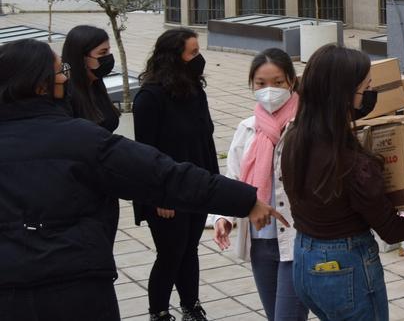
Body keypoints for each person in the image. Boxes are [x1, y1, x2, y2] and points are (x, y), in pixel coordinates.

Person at [0, 39, 284, 321]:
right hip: (74, 287)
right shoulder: (80, 140)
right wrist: (244, 199)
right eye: (60, 70)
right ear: (40, 86)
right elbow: (163, 175)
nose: (66, 77)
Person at [281, 44, 404, 319]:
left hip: (306, 260)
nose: (369, 94)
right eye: (365, 87)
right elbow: (392, 230)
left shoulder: (295, 137)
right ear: (343, 95)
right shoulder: (354, 166)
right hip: (346, 266)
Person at [134, 28, 223, 321]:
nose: (199, 58)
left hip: (196, 187)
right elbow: (146, 154)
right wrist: (161, 196)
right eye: (193, 52)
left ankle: (191, 307)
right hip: (166, 194)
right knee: (171, 253)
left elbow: (205, 141)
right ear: (174, 58)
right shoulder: (150, 97)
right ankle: (159, 312)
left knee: (189, 250)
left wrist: (213, 187)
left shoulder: (195, 91)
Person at [212, 49, 308, 321]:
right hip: (261, 239)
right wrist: (224, 217)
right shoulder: (247, 128)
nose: (269, 90)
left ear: (291, 81)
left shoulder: (305, 127)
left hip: (298, 240)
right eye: (261, 83)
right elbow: (232, 179)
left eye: (278, 83)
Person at [61, 24, 120, 132]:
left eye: (108, 51)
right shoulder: (66, 96)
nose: (109, 57)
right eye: (103, 52)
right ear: (82, 58)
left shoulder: (96, 84)